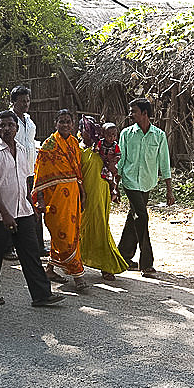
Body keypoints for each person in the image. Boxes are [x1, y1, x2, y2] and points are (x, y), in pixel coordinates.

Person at [0, 110, 65, 307]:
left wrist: (32, 204)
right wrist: (5, 214)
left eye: (10, 125)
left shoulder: (23, 150)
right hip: (0, 214)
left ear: (17, 128)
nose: (6, 129)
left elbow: (27, 180)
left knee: (31, 253)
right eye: (2, 126)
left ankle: (41, 295)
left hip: (24, 211)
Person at [0, 86, 42, 259]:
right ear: (13, 102)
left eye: (28, 100)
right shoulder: (5, 118)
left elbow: (30, 142)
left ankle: (36, 246)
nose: (26, 104)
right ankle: (7, 247)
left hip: (27, 165)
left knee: (27, 202)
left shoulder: (29, 121)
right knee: (6, 203)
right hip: (6, 163)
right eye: (22, 101)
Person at [117, 97, 173, 278]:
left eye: (134, 111)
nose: (131, 114)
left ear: (144, 113)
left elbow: (164, 162)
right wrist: (114, 184)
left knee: (134, 217)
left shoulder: (159, 135)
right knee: (142, 216)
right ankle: (147, 263)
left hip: (147, 182)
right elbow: (121, 159)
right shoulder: (126, 133)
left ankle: (123, 256)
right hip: (130, 180)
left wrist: (169, 190)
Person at [32, 109, 88, 291]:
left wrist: (83, 193)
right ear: (55, 123)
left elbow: (78, 172)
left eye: (68, 121)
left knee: (70, 233)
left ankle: (50, 268)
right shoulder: (49, 145)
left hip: (73, 195)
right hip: (54, 199)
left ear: (73, 124)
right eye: (61, 122)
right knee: (63, 233)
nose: (65, 125)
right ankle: (77, 274)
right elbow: (39, 176)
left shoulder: (74, 143)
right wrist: (40, 200)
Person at [78, 116, 130, 281]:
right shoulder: (76, 149)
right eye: (85, 130)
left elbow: (114, 170)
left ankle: (107, 265)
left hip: (101, 193)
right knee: (79, 228)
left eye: (90, 130)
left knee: (100, 227)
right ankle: (73, 262)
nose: (87, 133)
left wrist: (114, 188)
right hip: (82, 195)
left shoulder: (100, 149)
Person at [97, 121, 121, 201]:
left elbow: (118, 154)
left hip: (111, 164)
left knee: (113, 176)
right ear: (103, 135)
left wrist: (114, 160)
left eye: (114, 135)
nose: (112, 137)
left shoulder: (115, 145)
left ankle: (114, 190)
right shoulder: (101, 143)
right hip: (102, 163)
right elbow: (97, 150)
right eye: (109, 135)